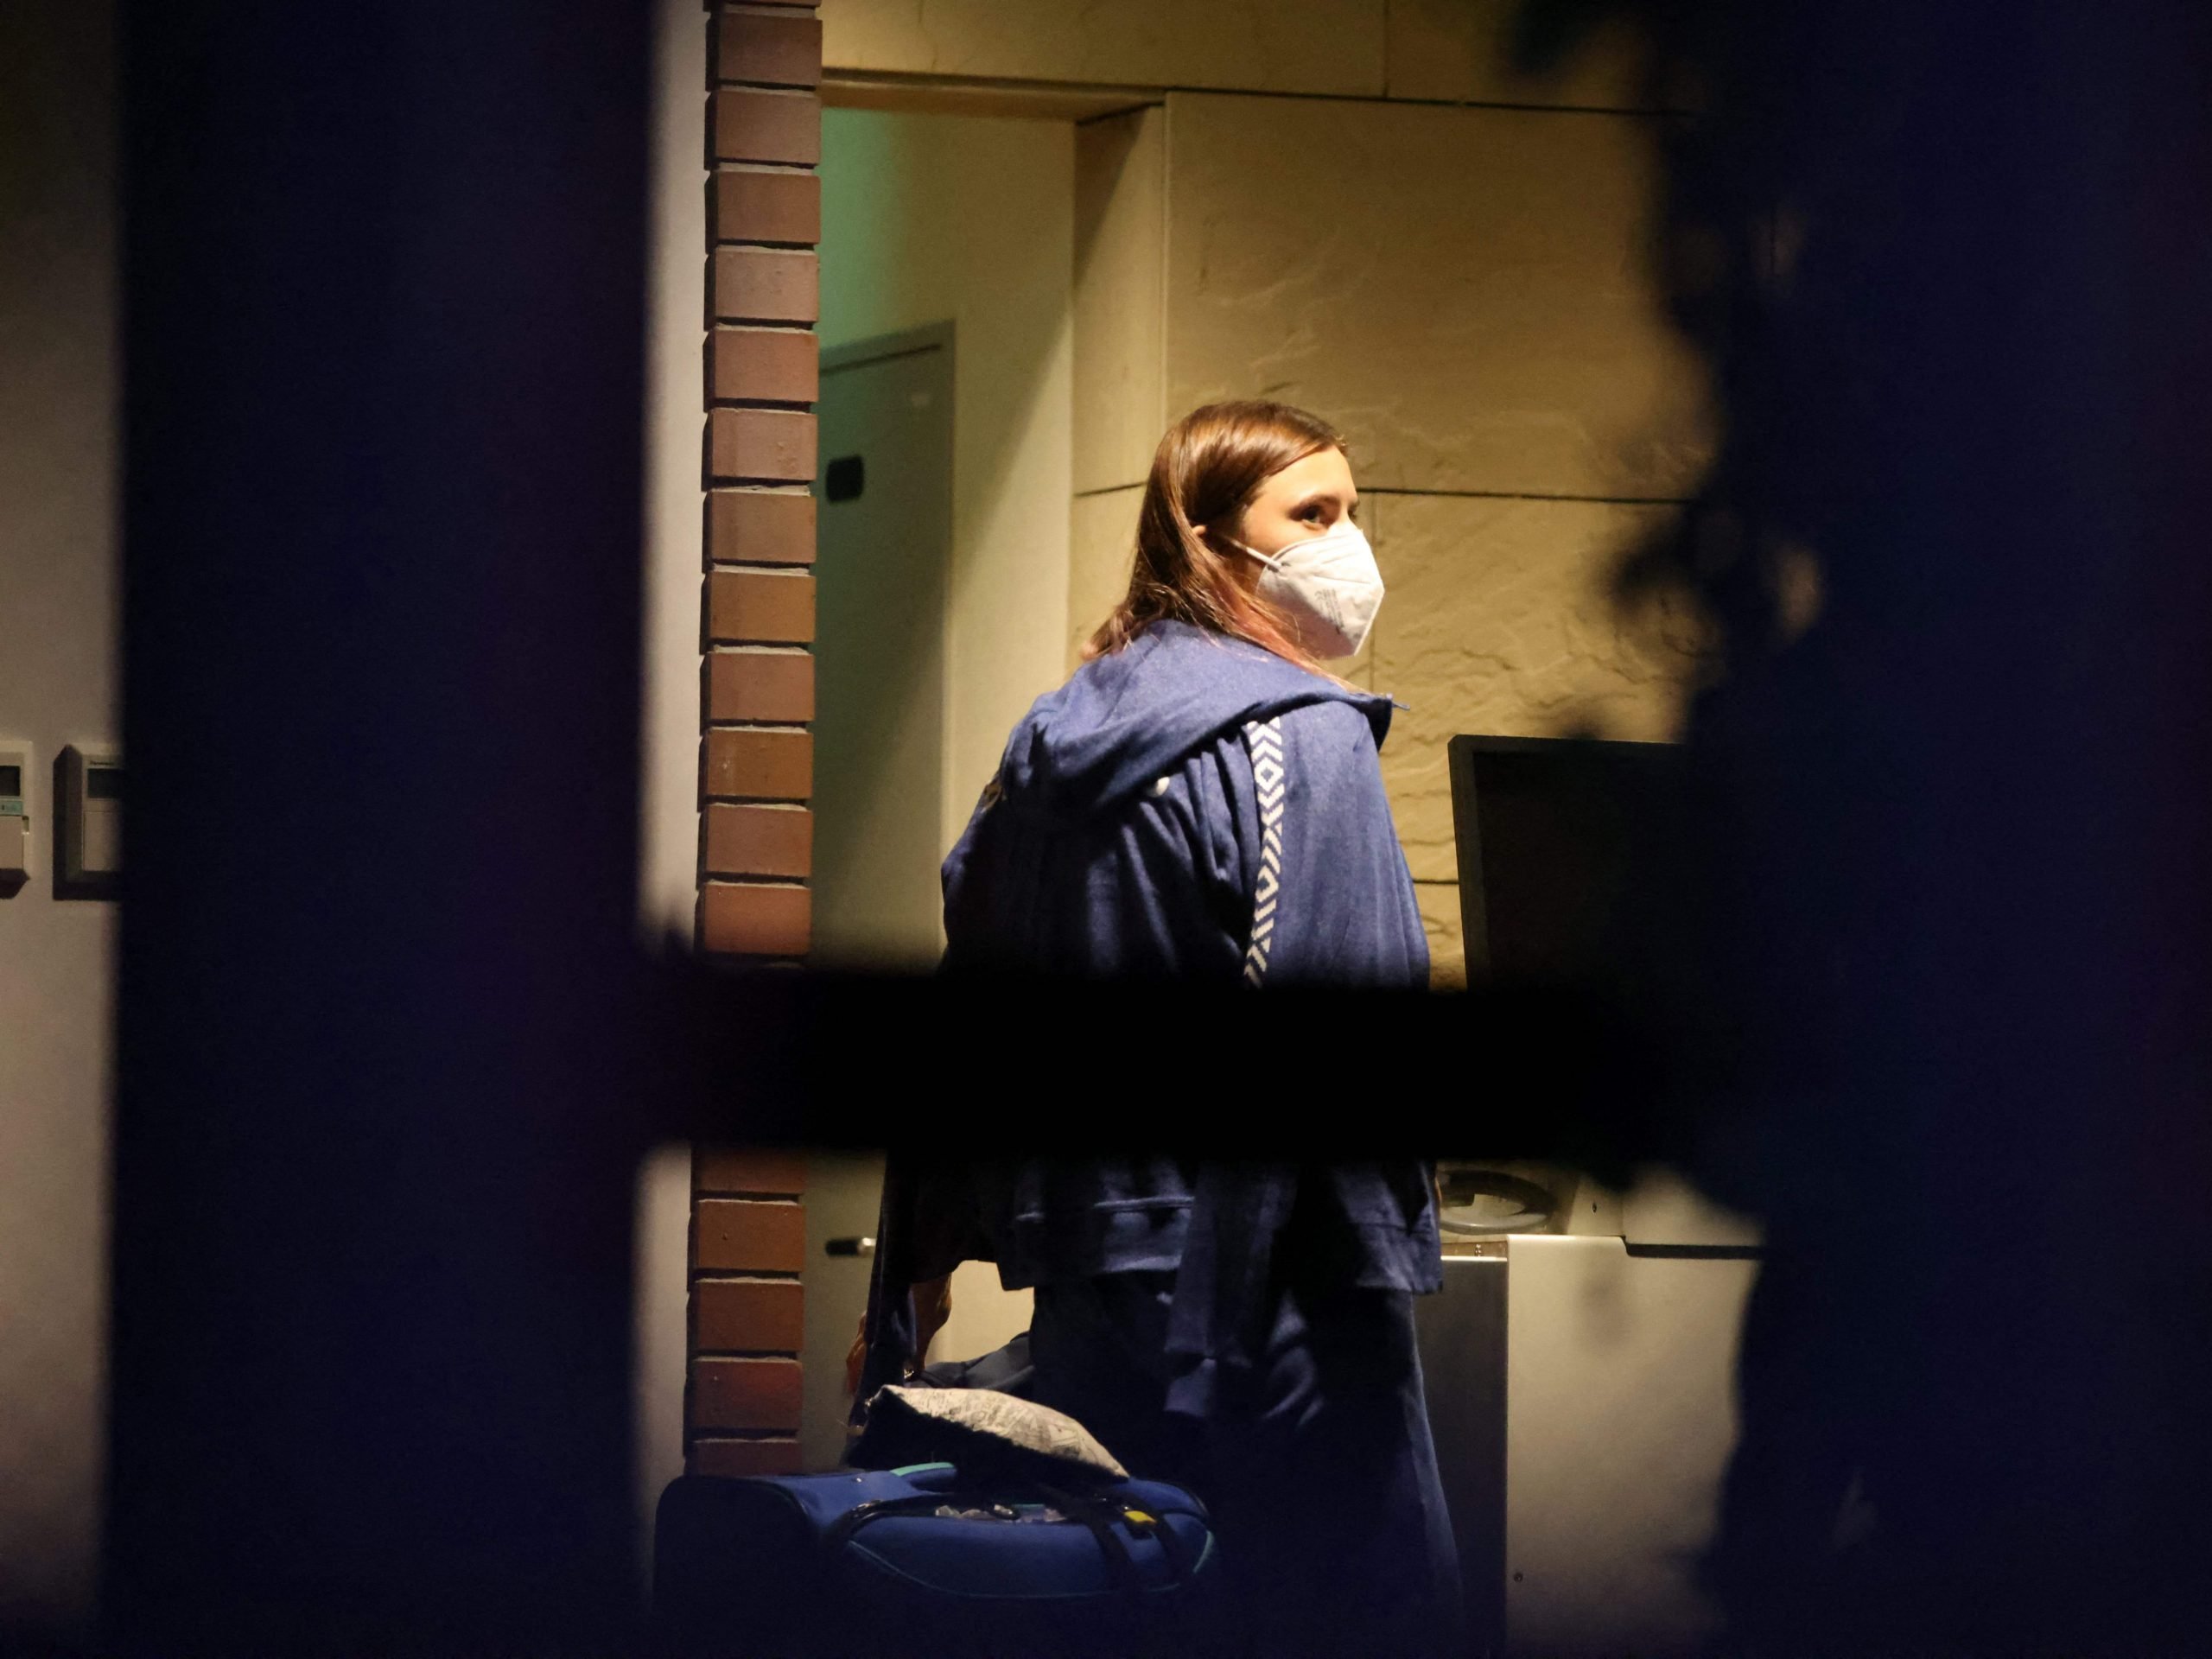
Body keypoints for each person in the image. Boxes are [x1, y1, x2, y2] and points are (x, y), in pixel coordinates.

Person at [857, 401, 1459, 1658]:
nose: (1351, 548)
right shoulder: (1303, 741)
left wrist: (911, 1286)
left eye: (1353, 511)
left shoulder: (1047, 742)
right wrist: (1383, 1263)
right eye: (1314, 516)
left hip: (1090, 1293)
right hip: (1275, 1301)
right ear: (1209, 543)